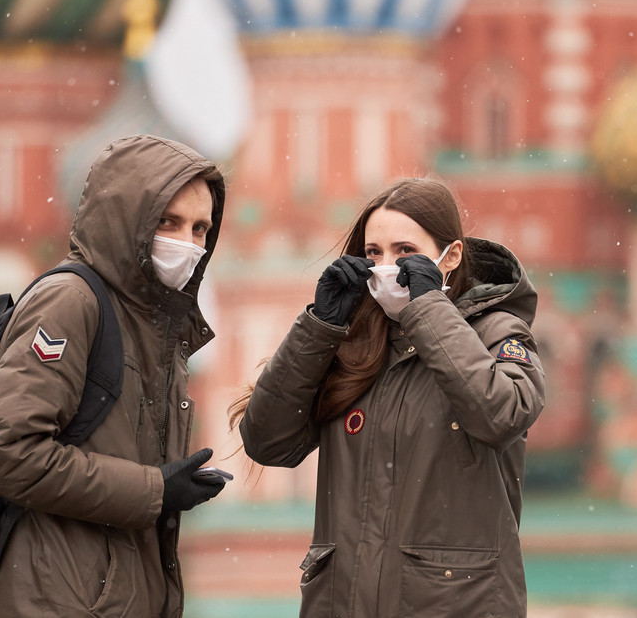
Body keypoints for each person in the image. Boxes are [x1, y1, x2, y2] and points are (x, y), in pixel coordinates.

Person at [230, 177, 546, 617]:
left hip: (453, 604)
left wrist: (428, 306)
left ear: (450, 256)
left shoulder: (498, 333)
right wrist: (321, 325)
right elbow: (267, 440)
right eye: (373, 253)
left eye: (405, 252)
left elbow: (502, 414)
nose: (386, 266)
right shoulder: (358, 345)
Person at [0, 134, 228, 617]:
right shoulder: (73, 301)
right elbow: (6, 453)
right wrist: (155, 489)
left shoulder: (157, 324)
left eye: (200, 229)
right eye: (168, 222)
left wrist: (168, 485)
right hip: (59, 599)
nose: (187, 244)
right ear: (126, 217)